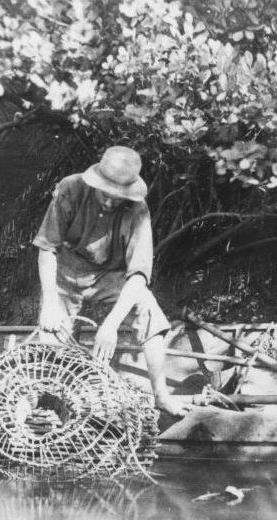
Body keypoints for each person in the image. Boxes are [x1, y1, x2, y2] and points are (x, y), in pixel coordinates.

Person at [32, 145, 188, 417]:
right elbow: (47, 249)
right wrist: (50, 304)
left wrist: (111, 325)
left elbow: (138, 275)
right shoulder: (70, 188)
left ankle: (161, 395)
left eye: (119, 197)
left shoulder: (138, 211)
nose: (110, 202)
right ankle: (51, 402)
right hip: (66, 270)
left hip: (109, 275)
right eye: (106, 194)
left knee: (149, 309)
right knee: (50, 337)